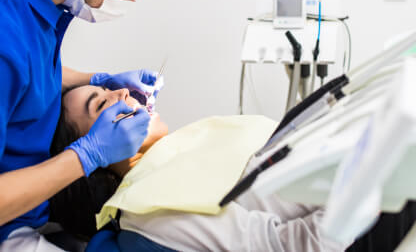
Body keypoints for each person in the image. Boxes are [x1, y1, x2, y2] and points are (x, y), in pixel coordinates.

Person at [0, 0, 181, 250]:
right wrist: (89, 154)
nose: (129, 2)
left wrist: (96, 79)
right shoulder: (6, 25)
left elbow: (22, 75)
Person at [49, 85, 345, 252]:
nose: (123, 92)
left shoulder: (191, 142)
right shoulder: (153, 208)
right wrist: (369, 181)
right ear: (93, 156)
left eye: (107, 88)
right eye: (101, 104)